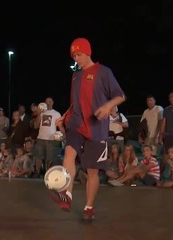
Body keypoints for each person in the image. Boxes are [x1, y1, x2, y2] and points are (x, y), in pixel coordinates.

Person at [53, 37, 126, 221]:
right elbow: (74, 103)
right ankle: (67, 195)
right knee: (69, 154)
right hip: (76, 124)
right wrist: (65, 115)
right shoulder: (75, 76)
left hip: (97, 129)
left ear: (87, 52)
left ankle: (89, 206)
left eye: (78, 54)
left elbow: (120, 96)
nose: (76, 58)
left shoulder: (103, 72)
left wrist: (108, 106)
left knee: (92, 171)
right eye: (74, 55)